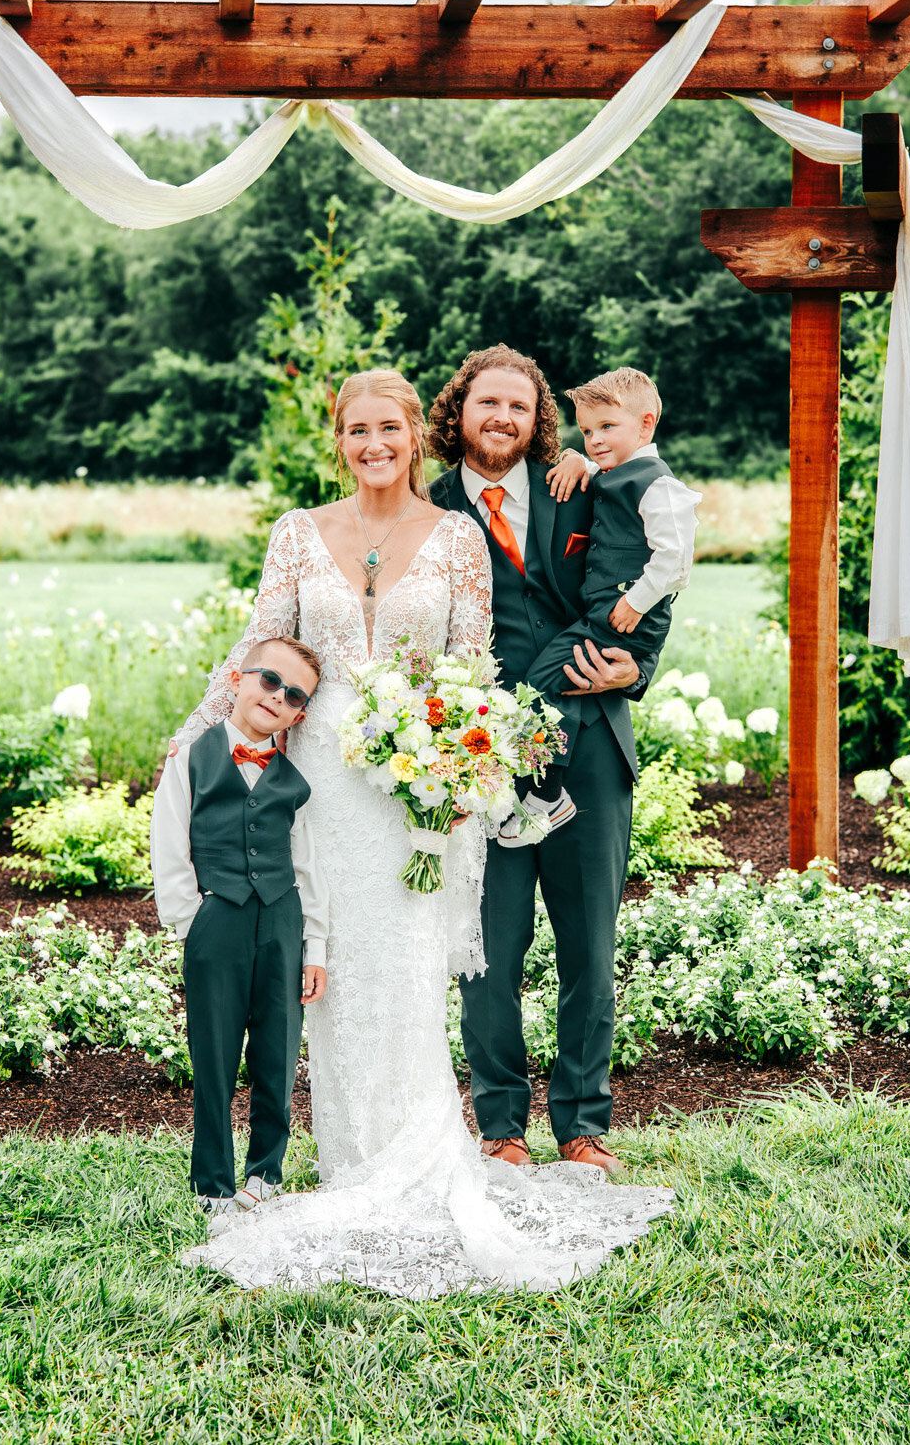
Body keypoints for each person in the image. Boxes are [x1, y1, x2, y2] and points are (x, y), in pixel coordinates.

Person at [169, 367, 672, 1296]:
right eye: (355, 430)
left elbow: (471, 665)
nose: (372, 445)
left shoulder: (458, 535)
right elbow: (261, 646)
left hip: (409, 788)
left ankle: (434, 1146)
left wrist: (451, 762)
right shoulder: (298, 532)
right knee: (323, 969)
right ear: (341, 437)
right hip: (312, 785)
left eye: (387, 429)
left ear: (413, 435)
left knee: (405, 967)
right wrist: (195, 740)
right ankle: (347, 1152)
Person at [426, 343, 652, 1177]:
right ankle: (500, 1128)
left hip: (588, 743)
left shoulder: (584, 488)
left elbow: (646, 584)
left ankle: (584, 1126)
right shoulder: (427, 507)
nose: (502, 418)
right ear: (459, 413)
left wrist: (638, 668)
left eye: (518, 407)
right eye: (487, 403)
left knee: (589, 946)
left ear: (535, 421)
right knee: (488, 945)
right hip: (477, 757)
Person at [151, 636, 328, 1224]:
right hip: (217, 919)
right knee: (215, 1053)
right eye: (269, 680)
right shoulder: (188, 757)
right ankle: (213, 1181)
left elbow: (308, 866)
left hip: (280, 920)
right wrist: (189, 922)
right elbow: (169, 846)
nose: (277, 697)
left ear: (300, 714)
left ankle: (266, 1171)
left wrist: (315, 945)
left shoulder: (294, 782)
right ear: (236, 678)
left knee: (277, 1050)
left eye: (293, 695)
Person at [509, 365, 701, 844]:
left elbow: (676, 560)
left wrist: (635, 604)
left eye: (607, 428)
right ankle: (544, 794)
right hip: (606, 615)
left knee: (537, 685)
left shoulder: (658, 486)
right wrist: (577, 458)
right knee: (544, 686)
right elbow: (597, 466)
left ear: (646, 423)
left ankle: (546, 798)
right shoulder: (615, 470)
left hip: (623, 617)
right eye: (587, 430)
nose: (595, 440)